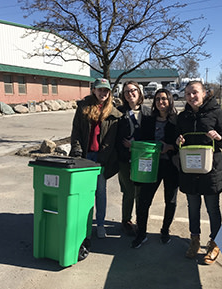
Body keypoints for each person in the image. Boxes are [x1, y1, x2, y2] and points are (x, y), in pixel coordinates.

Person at [176, 80, 222, 264]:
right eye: (188, 94)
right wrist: (179, 141)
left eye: (195, 92)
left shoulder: (216, 113)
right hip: (190, 170)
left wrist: (219, 136)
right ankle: (194, 241)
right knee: (193, 208)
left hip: (211, 171)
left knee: (213, 209)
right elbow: (177, 138)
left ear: (204, 93)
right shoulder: (183, 117)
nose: (191, 97)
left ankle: (215, 243)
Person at [70, 78, 122, 239]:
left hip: (100, 158)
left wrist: (102, 159)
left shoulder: (113, 113)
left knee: (100, 192)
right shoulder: (83, 108)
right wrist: (77, 150)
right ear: (94, 90)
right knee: (82, 192)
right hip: (84, 156)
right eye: (100, 90)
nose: (103, 93)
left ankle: (100, 224)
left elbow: (110, 141)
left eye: (106, 90)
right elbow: (76, 131)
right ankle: (81, 224)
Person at [131, 88, 179, 248]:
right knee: (144, 200)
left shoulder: (176, 121)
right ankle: (141, 233)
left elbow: (182, 146)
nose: (160, 102)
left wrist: (171, 147)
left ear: (170, 100)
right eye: (158, 99)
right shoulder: (148, 120)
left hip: (171, 165)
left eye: (164, 99)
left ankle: (165, 230)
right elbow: (142, 140)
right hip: (151, 165)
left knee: (170, 200)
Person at [116, 81, 151, 236]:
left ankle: (140, 221)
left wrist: (136, 146)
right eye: (126, 91)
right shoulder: (119, 112)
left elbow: (151, 135)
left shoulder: (148, 112)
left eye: (133, 90)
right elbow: (113, 136)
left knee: (140, 192)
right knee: (128, 191)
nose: (130, 93)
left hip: (142, 158)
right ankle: (126, 220)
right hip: (124, 159)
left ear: (139, 92)